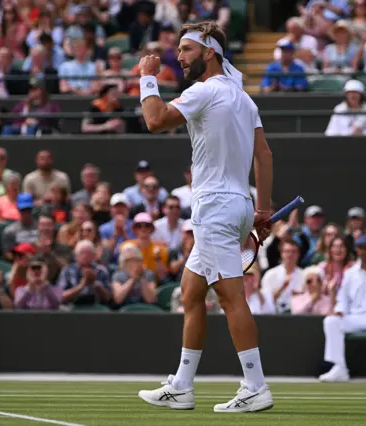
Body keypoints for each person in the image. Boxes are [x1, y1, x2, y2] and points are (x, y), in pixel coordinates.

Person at [137, 21, 274, 412]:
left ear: (209, 53)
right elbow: (264, 156)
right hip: (238, 204)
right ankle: (181, 385)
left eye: (187, 50)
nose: (178, 57)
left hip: (215, 207)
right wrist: (262, 209)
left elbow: (155, 120)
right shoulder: (245, 99)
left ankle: (255, 385)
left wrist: (148, 79)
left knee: (232, 298)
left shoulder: (205, 90)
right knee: (191, 292)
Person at [319, 235, 366, 383]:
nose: (364, 252)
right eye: (361, 249)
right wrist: (340, 309)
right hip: (354, 317)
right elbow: (343, 296)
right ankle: (339, 367)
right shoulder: (350, 272)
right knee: (331, 321)